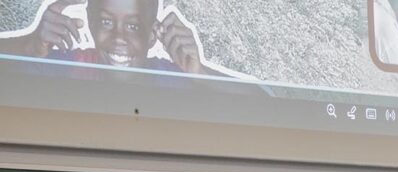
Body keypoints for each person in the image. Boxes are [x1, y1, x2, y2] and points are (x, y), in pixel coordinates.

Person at [0, 0, 231, 76]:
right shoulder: (72, 66)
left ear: (153, 34)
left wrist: (200, 74)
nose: (118, 38)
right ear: (90, 22)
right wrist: (30, 47)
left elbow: (252, 99)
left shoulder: (169, 76)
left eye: (133, 26)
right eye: (106, 22)